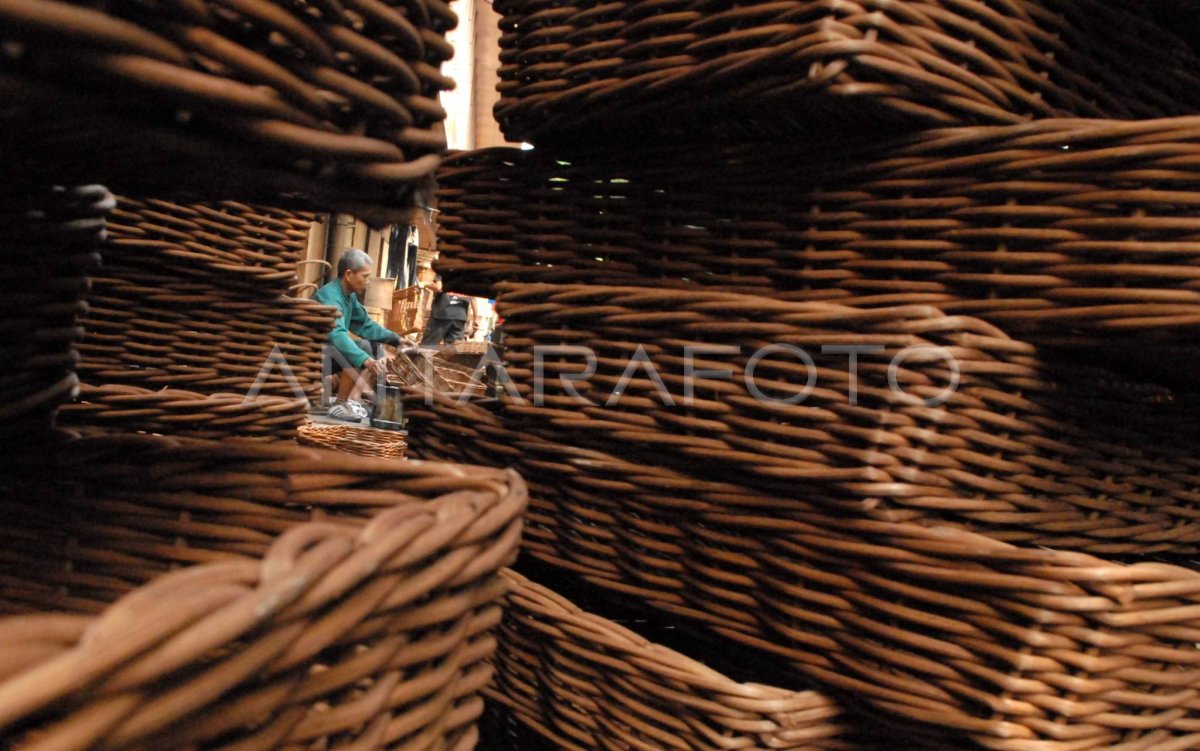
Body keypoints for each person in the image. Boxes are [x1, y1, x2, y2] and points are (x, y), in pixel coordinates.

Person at [314, 248, 406, 421]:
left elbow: (365, 325)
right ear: (349, 275)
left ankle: (351, 400)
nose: (368, 281)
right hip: (310, 355)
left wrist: (397, 339)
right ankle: (340, 404)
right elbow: (338, 335)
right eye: (365, 276)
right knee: (362, 348)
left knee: (370, 345)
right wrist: (365, 359)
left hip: (327, 353)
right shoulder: (331, 298)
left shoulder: (349, 296)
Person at [421, 275, 477, 347]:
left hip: (442, 315)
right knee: (453, 351)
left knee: (427, 347)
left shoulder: (444, 269)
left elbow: (439, 288)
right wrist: (475, 319)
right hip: (460, 317)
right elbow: (473, 297)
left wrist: (425, 284)